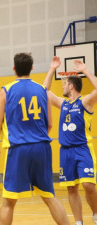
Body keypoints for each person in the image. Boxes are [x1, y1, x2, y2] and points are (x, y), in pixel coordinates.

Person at [0, 53, 70, 225]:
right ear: (31, 68)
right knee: (49, 196)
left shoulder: (6, 90)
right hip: (42, 148)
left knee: (8, 202)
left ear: (14, 68)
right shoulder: (42, 91)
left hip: (19, 148)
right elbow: (49, 124)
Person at [43, 57, 97, 225]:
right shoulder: (63, 103)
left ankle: (96, 213)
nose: (63, 86)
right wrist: (52, 69)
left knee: (88, 185)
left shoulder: (85, 102)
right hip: (65, 151)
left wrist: (86, 71)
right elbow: (43, 91)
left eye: (65, 84)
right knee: (71, 188)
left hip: (82, 149)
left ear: (71, 86)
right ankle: (79, 222)